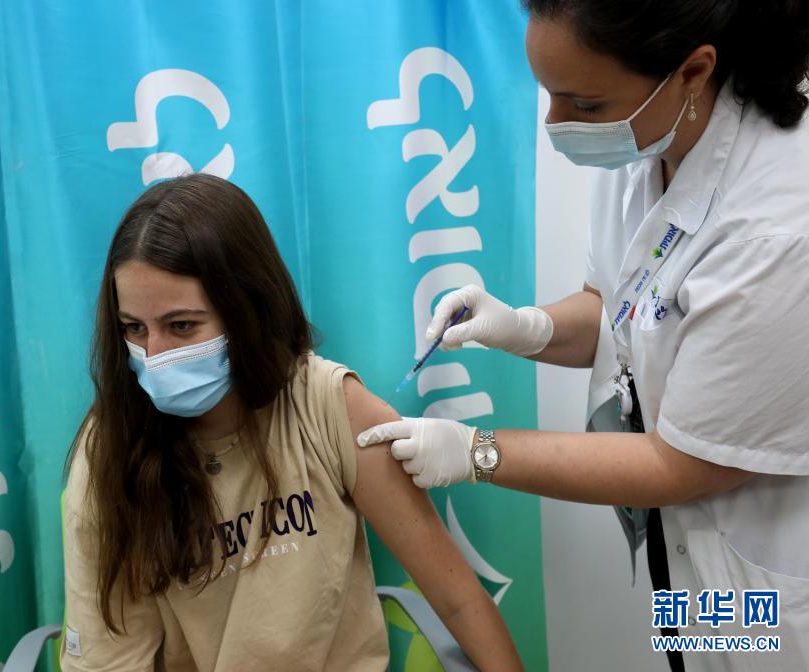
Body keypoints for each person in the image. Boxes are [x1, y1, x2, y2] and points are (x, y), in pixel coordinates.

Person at [359, 1, 809, 670]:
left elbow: (685, 466)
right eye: (548, 95)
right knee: (694, 648)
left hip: (767, 575)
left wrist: (479, 452)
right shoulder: (649, 141)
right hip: (685, 554)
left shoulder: (777, 231)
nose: (555, 124)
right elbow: (625, 309)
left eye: (585, 104)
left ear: (693, 72)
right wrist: (526, 327)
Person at [61, 173, 522, 671]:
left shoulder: (329, 406)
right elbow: (109, 660)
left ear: (247, 309)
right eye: (134, 328)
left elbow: (458, 599)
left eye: (182, 325)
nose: (154, 356)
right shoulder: (111, 447)